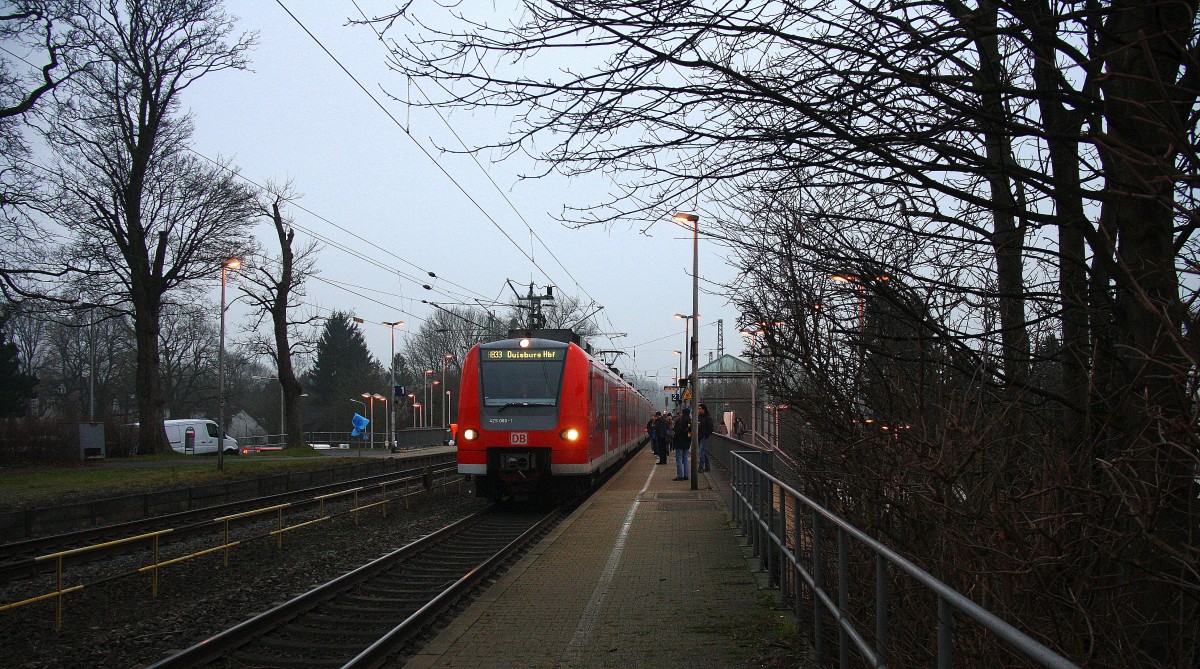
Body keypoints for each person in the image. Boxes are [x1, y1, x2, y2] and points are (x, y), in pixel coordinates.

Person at [671, 407, 691, 480]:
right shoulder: (690, 421)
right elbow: (690, 432)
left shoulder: (680, 421)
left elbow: (677, 432)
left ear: (683, 413)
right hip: (687, 442)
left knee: (679, 458)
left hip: (679, 442)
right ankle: (686, 475)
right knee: (685, 458)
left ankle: (680, 476)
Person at [697, 403, 714, 472]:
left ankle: (701, 467)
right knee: (703, 451)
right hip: (700, 436)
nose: (698, 410)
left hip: (703, 436)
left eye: (700, 408)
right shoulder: (700, 416)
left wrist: (706, 434)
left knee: (701, 451)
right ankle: (707, 466)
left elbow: (711, 428)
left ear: (703, 409)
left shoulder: (707, 417)